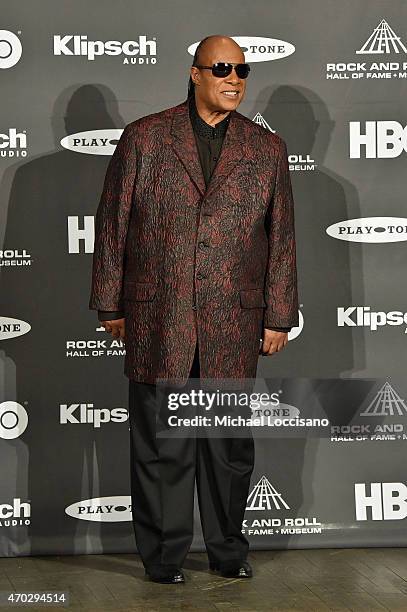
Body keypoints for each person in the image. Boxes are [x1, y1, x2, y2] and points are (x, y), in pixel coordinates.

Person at [89, 34, 299, 584]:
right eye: (223, 68)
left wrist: (278, 316)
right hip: (161, 315)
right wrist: (110, 304)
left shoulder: (265, 148)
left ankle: (229, 552)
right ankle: (163, 560)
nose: (234, 79)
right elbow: (112, 228)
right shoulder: (145, 137)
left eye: (243, 70)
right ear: (195, 73)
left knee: (228, 450)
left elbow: (281, 240)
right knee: (163, 446)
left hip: (235, 319)